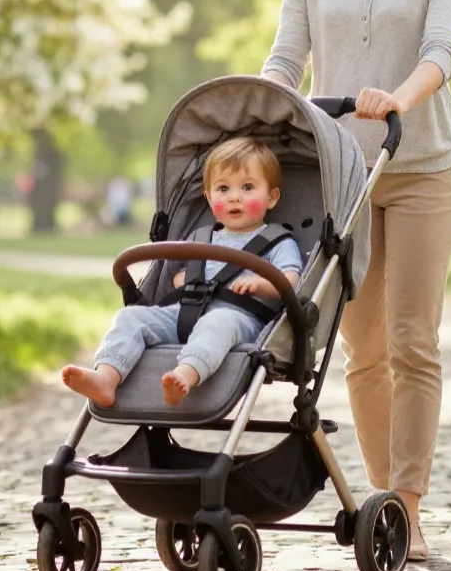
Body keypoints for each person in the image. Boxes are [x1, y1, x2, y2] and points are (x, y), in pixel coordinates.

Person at [261, 0, 451, 562]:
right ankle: (382, 501)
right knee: (363, 350)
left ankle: (407, 507)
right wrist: (262, 105)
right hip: (341, 176)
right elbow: (287, 55)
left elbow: (442, 50)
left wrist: (396, 100)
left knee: (414, 341)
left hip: (421, 171)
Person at [61, 137, 303, 408]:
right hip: (184, 313)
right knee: (131, 316)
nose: (234, 196)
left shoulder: (278, 241)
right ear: (210, 198)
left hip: (239, 320)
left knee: (218, 321)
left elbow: (290, 281)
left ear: (271, 197)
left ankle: (184, 376)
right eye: (223, 188)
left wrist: (261, 283)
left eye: (247, 187)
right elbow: (178, 275)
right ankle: (106, 376)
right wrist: (186, 282)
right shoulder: (199, 237)